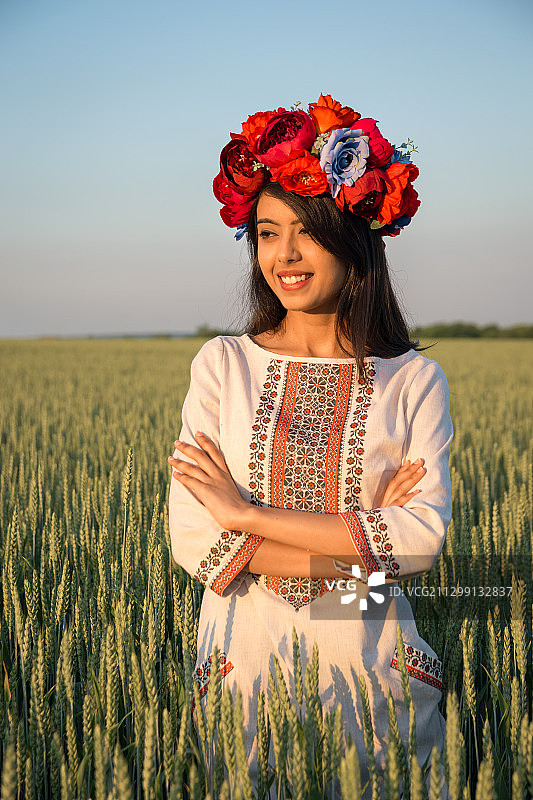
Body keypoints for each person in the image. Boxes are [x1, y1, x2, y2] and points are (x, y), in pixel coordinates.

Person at [168, 95, 453, 798]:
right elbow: (191, 536)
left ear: (356, 239)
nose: (284, 255)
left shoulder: (412, 378)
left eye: (307, 232)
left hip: (373, 669)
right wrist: (358, 544)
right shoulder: (222, 365)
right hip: (245, 665)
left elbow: (419, 541)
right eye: (266, 233)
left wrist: (248, 514)